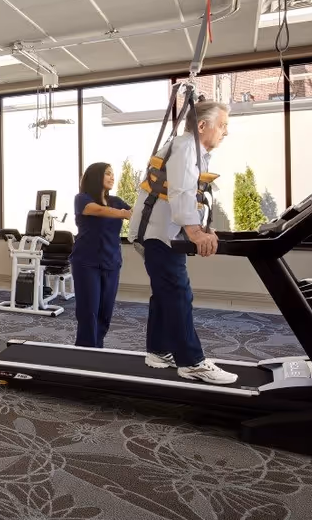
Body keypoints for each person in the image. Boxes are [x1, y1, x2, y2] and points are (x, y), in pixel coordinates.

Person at [129, 100, 236, 385]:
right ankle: (191, 362)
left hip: (160, 233)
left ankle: (159, 350)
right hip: (161, 234)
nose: (226, 132)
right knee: (178, 293)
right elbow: (180, 192)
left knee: (166, 292)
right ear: (202, 126)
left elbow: (189, 194)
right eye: (222, 125)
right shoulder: (187, 147)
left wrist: (200, 227)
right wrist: (196, 233)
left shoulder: (191, 148)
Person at [70, 162, 131, 348]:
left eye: (113, 174)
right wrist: (123, 213)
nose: (112, 177)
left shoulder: (117, 201)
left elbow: (137, 213)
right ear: (96, 176)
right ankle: (86, 351)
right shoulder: (82, 198)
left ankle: (97, 348)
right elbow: (96, 210)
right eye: (107, 174)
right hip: (86, 263)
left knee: (105, 313)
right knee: (89, 312)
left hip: (111, 262)